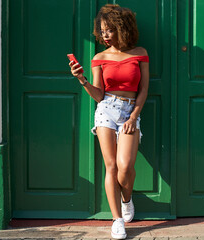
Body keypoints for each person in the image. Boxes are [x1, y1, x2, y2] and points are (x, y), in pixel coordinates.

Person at [69, 4, 149, 239]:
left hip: (129, 110)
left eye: (109, 29)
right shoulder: (99, 58)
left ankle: (127, 199)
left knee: (125, 168)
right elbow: (98, 95)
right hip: (106, 110)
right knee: (111, 166)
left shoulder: (140, 53)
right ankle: (117, 220)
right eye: (102, 30)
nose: (104, 34)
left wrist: (134, 116)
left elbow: (144, 89)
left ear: (122, 28)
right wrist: (82, 79)